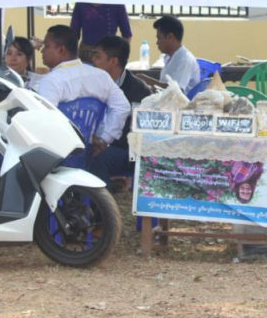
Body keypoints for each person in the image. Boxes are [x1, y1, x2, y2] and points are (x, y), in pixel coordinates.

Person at [36, 25, 130, 150]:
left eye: (47, 46)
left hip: (57, 152)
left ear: (61, 50)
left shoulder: (51, 81)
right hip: (87, 153)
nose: (42, 51)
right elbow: (122, 106)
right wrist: (104, 139)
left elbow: (45, 121)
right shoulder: (101, 76)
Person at [88, 36, 153, 188]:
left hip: (126, 150)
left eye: (98, 56)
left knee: (99, 158)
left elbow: (139, 135)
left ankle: (100, 201)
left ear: (113, 61)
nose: (93, 61)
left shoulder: (139, 90)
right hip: (96, 142)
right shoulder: (90, 83)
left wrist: (104, 143)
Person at [153, 14, 199, 92]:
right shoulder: (169, 57)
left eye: (159, 38)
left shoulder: (185, 60)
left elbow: (176, 91)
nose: (157, 43)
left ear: (170, 37)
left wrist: (147, 81)